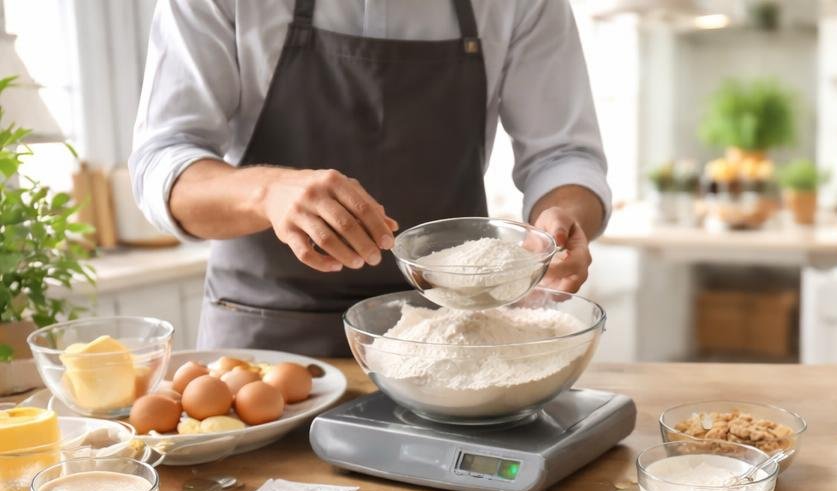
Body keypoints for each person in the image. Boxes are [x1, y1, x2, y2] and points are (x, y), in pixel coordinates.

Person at [130, 0, 611, 356]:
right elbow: (163, 164)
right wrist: (269, 192)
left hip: (450, 341)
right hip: (263, 344)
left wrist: (563, 217)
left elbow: (564, 153)